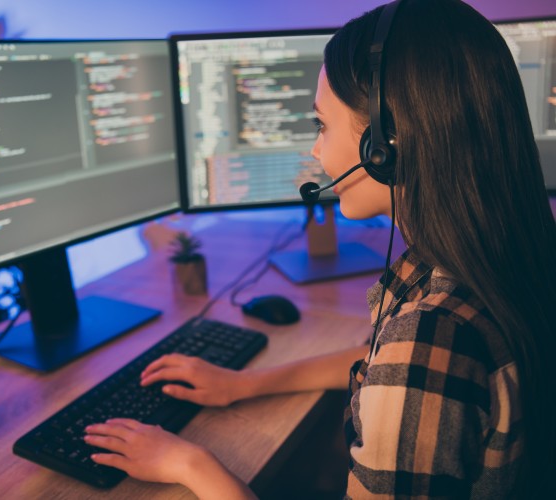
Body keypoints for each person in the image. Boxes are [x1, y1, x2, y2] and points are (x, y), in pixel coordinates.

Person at [83, 0, 556, 497]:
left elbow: (409, 365)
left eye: (321, 126)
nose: (315, 151)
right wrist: (244, 384)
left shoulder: (433, 336)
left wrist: (190, 464)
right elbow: (379, 363)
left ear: (385, 145)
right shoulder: (500, 257)